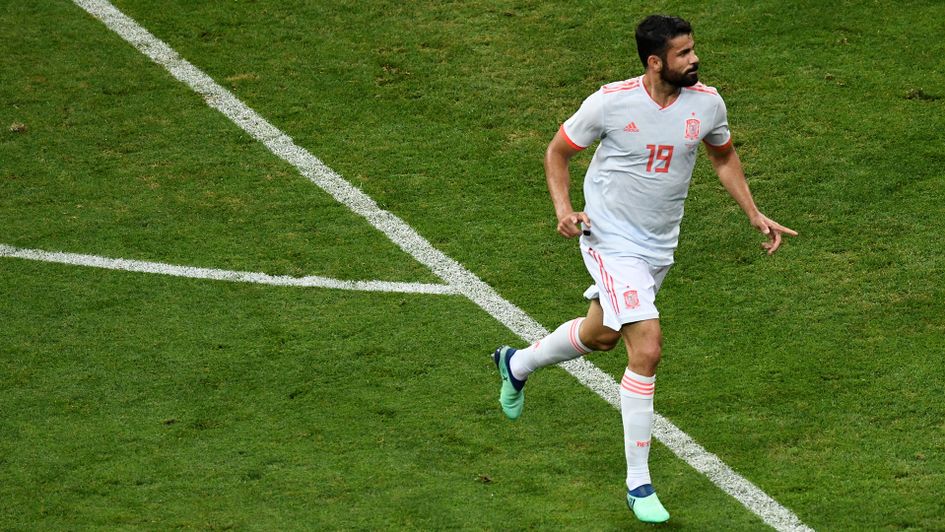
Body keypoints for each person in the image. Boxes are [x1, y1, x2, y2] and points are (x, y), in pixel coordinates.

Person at [493, 14, 797, 524]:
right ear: (656, 61)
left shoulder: (708, 103)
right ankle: (638, 482)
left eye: (693, 49)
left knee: (604, 334)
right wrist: (564, 211)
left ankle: (517, 364)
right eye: (683, 53)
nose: (694, 58)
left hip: (659, 245)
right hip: (610, 240)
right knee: (648, 347)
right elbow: (558, 152)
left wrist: (753, 211)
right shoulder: (610, 103)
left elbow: (723, 157)